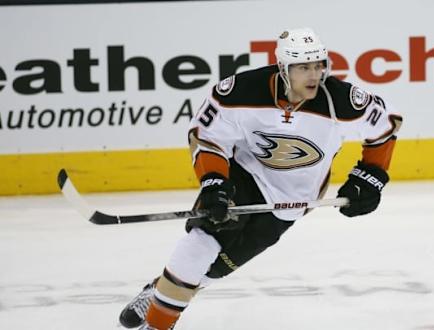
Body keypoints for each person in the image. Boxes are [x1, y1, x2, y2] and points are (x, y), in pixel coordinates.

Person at [118, 27, 402, 330]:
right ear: (283, 68)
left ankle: (158, 292)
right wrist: (214, 182)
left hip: (292, 202)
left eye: (318, 65)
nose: (314, 75)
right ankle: (158, 324)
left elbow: (386, 126)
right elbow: (206, 136)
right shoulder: (241, 90)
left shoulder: (341, 101)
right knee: (202, 242)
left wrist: (369, 176)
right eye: (303, 67)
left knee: (216, 269)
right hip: (245, 176)